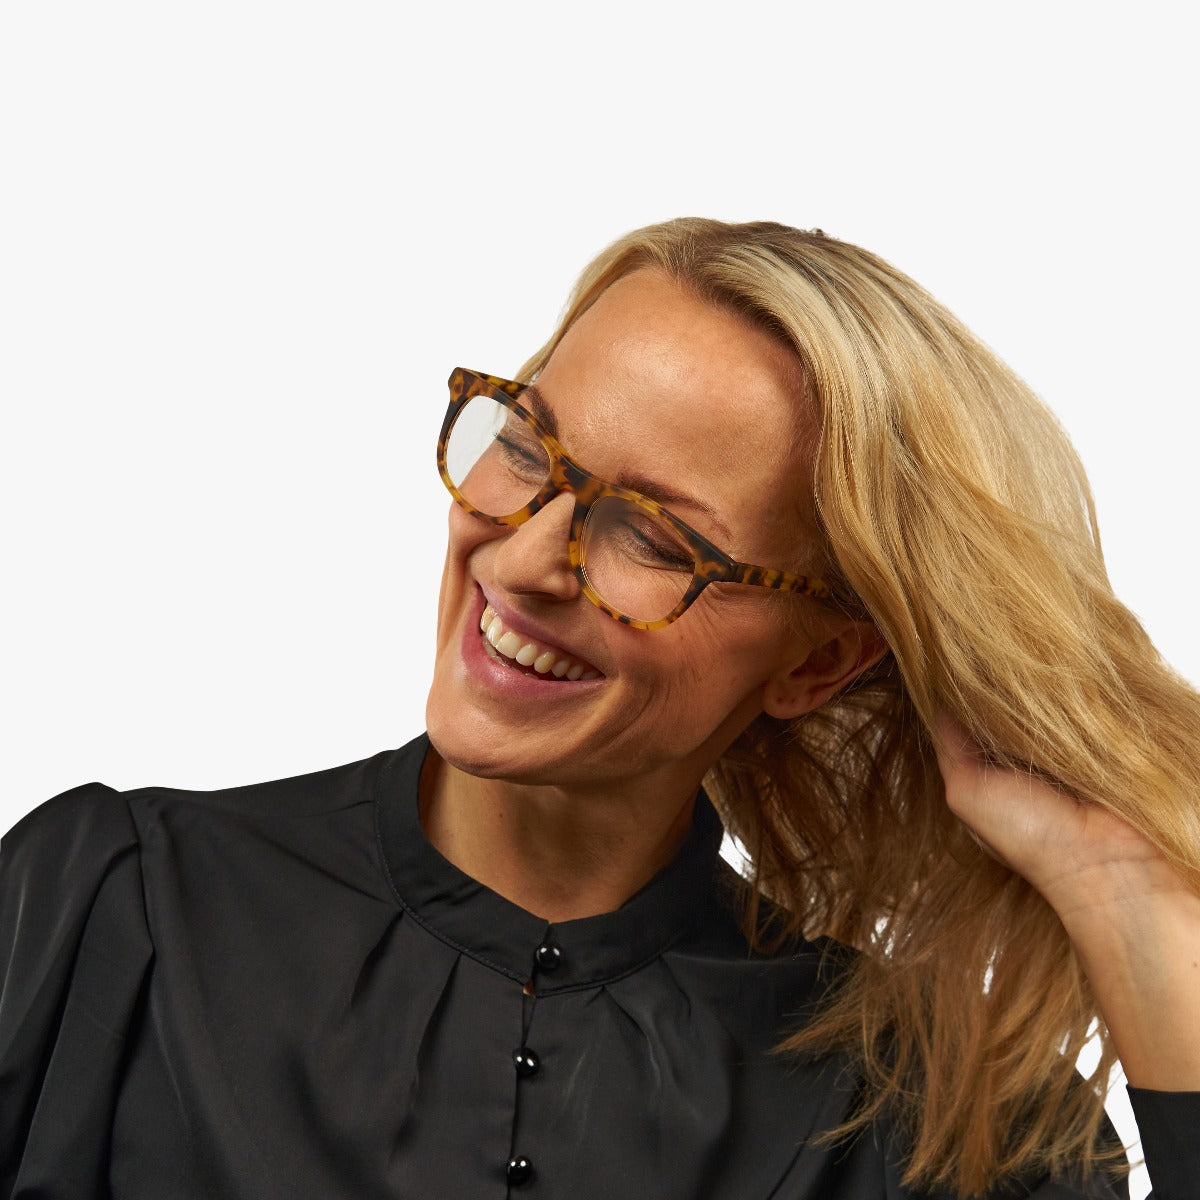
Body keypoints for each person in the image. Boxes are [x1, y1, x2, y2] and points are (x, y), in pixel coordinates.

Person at [2, 219, 1197, 1200]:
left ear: (819, 664)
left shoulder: (941, 1123)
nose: (522, 559)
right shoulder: (114, 907)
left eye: (653, 537)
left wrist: (1129, 898)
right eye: (528, 449)